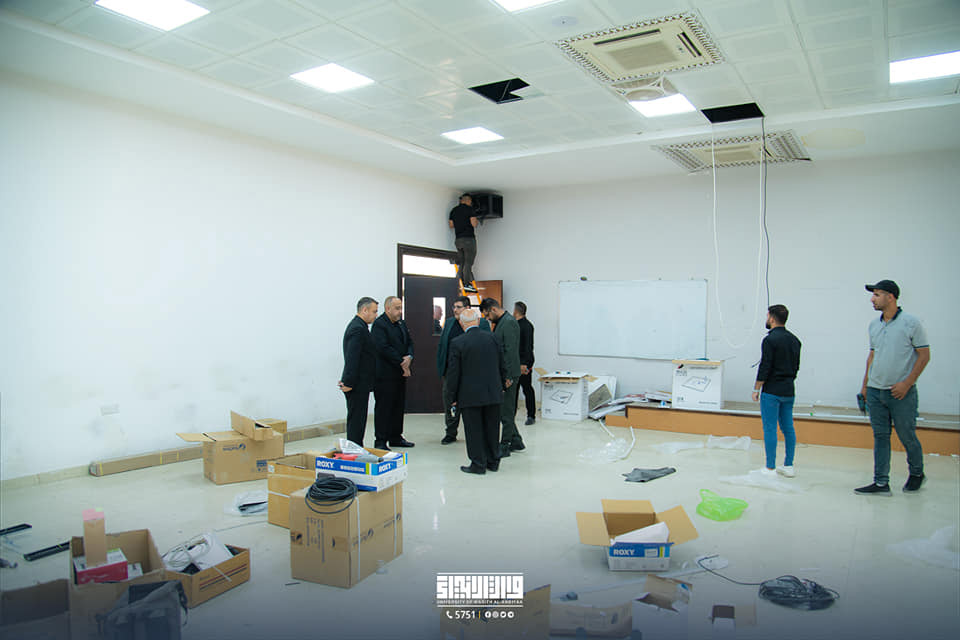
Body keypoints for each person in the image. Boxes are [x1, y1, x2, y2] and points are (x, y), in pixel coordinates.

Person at [855, 280, 930, 495]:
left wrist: (907, 383)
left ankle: (917, 473)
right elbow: (872, 357)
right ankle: (881, 483)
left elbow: (924, 355)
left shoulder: (911, 323)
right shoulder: (874, 325)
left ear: (891, 297)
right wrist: (865, 386)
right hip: (875, 391)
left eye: (877, 295)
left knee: (907, 435)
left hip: (900, 393)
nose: (872, 299)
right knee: (880, 437)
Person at [447, 308, 506, 474]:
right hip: (493, 392)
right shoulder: (493, 338)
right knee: (492, 428)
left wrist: (452, 396)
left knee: (474, 430)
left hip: (469, 394)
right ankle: (493, 461)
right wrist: (502, 385)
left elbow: (454, 373)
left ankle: (478, 464)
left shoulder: (458, 343)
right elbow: (502, 364)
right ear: (478, 321)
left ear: (461, 323)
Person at [751, 304, 801, 478]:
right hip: (788, 390)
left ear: (772, 318)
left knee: (770, 428)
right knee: (788, 428)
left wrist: (756, 388)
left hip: (771, 391)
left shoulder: (770, 340)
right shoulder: (795, 340)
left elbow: (765, 367)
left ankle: (770, 467)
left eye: (767, 316)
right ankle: (789, 465)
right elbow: (796, 367)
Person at [436, 296, 490, 445]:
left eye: (458, 307)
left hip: (473, 373)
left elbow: (487, 346)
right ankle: (450, 432)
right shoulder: (449, 323)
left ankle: (476, 433)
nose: (455, 310)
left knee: (473, 403)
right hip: (452, 372)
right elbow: (442, 345)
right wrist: (442, 366)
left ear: (467, 308)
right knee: (449, 402)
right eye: (454, 307)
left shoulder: (481, 323)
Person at [479, 297, 524, 458]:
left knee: (506, 412)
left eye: (487, 315)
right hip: (503, 374)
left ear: (493, 309)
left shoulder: (509, 323)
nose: (487, 319)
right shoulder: (501, 322)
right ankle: (516, 440)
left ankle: (505, 445)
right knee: (504, 409)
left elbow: (510, 352)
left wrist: (508, 376)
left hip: (509, 375)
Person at [371, 296, 415, 450]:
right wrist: (402, 362)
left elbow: (409, 342)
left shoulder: (401, 323)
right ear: (387, 308)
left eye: (401, 308)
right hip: (384, 375)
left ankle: (396, 437)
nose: (400, 311)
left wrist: (409, 357)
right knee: (384, 408)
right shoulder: (379, 325)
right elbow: (383, 348)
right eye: (397, 308)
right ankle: (380, 440)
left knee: (398, 406)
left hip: (399, 374)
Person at [338, 297, 378, 446]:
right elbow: (352, 357)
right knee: (356, 420)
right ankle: (354, 450)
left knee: (359, 419)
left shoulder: (361, 327)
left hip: (360, 383)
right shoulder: (357, 329)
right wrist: (348, 382)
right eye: (374, 311)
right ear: (364, 310)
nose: (375, 315)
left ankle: (356, 448)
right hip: (356, 384)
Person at [449, 194, 479, 292]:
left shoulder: (454, 210)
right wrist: (475, 221)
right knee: (468, 262)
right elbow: (474, 223)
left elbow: (451, 225)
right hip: (468, 239)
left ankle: (458, 282)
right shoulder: (470, 209)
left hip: (458, 240)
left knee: (462, 262)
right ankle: (466, 284)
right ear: (469, 201)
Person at [514, 301, 536, 426]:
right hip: (515, 362)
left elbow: (528, 347)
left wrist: (525, 364)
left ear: (516, 311)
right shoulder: (515, 325)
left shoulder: (526, 326)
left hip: (524, 364)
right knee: (513, 391)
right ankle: (511, 415)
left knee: (527, 389)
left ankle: (531, 416)